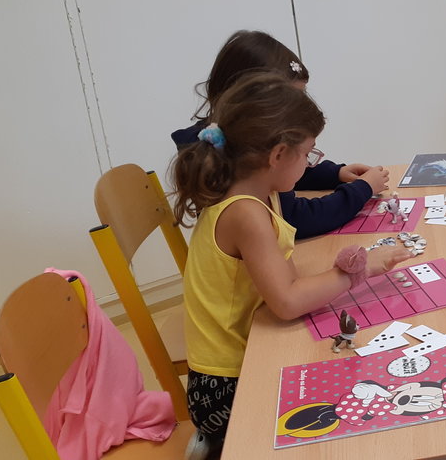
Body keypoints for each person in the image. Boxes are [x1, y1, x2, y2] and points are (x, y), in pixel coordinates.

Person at [172, 74, 411, 459]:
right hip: (226, 390)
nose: (310, 164)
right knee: (361, 410)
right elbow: (286, 302)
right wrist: (358, 271)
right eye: (308, 154)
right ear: (278, 155)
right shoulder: (245, 213)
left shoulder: (259, 194)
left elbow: (286, 281)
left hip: (245, 358)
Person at [172, 30, 387, 239]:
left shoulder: (235, 144)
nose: (301, 109)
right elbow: (296, 219)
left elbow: (283, 171)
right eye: (293, 100)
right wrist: (362, 190)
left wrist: (334, 173)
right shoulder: (228, 162)